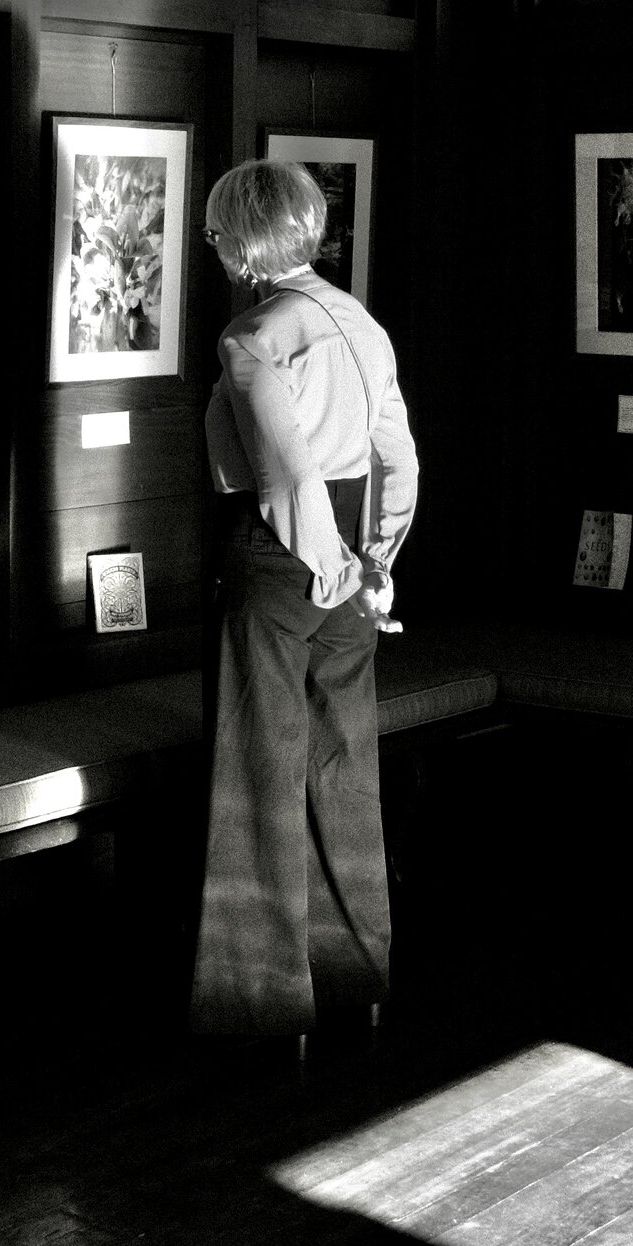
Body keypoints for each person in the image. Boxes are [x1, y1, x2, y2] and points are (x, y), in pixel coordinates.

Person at [189, 159, 419, 1040]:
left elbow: (286, 476)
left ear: (242, 243)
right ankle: (353, 976)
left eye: (214, 234)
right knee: (343, 765)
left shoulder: (254, 337)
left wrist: (327, 565)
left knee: (255, 775)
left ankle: (261, 1007)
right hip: (353, 565)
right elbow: (400, 456)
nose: (212, 248)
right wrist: (375, 564)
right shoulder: (359, 321)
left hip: (283, 563)